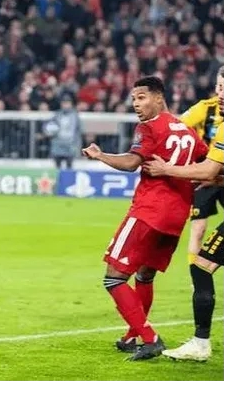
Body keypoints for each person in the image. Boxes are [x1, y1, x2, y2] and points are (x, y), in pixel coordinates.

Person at [82, 76, 207, 361]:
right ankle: (132, 335)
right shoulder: (187, 131)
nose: (136, 105)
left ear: (159, 97)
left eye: (141, 97)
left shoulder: (149, 127)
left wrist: (100, 155)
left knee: (114, 278)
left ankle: (150, 338)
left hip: (149, 212)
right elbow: (207, 165)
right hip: (176, 218)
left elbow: (131, 163)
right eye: (133, 99)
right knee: (144, 275)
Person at [144, 66, 224, 361]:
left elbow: (208, 169)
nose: (220, 94)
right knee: (201, 249)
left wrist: (167, 169)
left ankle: (201, 344)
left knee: (201, 267)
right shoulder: (208, 112)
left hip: (203, 172)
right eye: (219, 87)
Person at [179, 72, 223, 281]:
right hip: (204, 175)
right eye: (219, 87)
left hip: (219, 174)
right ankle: (197, 279)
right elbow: (178, 127)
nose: (220, 93)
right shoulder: (205, 108)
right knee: (198, 228)